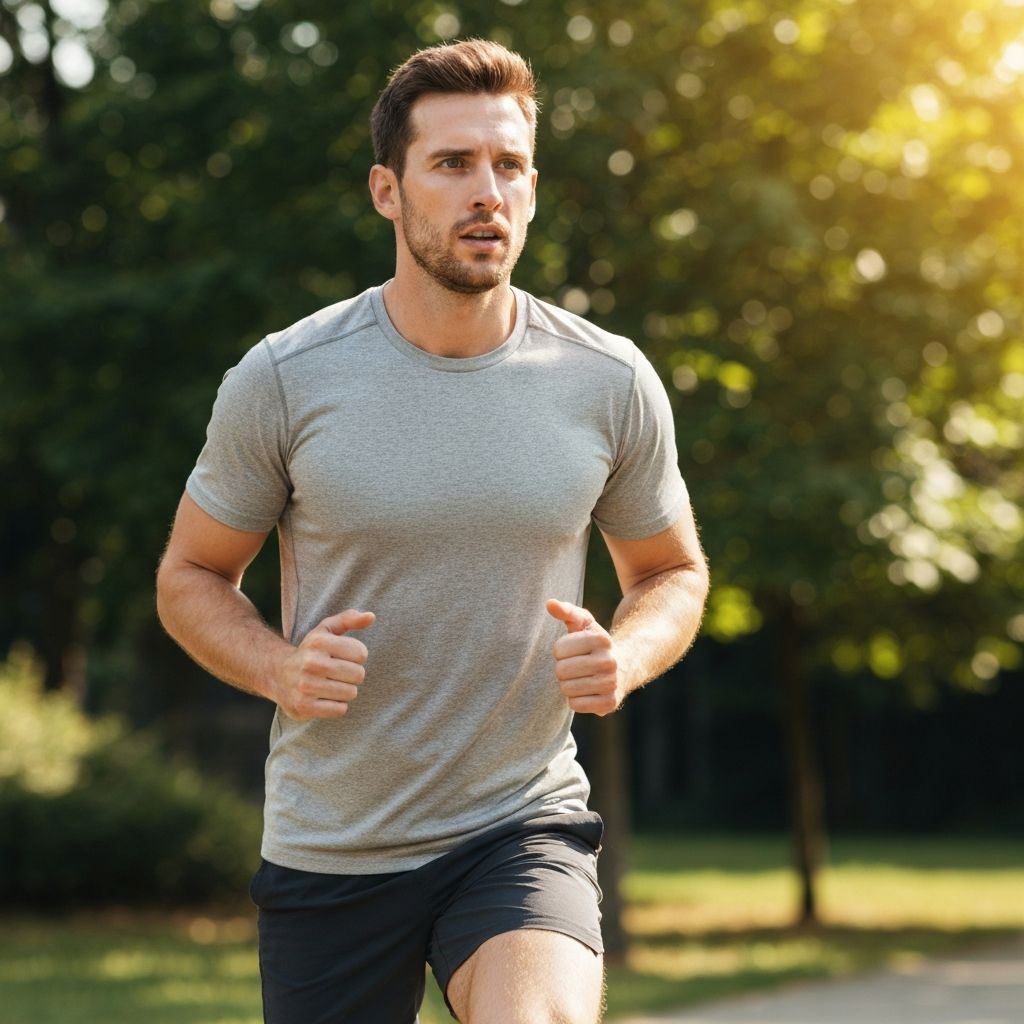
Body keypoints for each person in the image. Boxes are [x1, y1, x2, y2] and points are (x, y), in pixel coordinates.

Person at [156, 38, 709, 1024]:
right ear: (387, 190)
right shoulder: (286, 378)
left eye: (506, 165)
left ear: (533, 189)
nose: (484, 190)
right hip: (334, 844)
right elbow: (191, 574)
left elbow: (671, 571)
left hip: (517, 822)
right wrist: (278, 669)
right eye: (451, 164)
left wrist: (623, 655)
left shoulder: (607, 379)